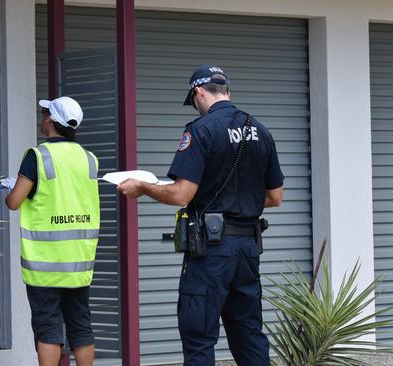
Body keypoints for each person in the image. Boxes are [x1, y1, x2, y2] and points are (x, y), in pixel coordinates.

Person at [118, 65, 284, 365]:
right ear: (227, 91)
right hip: (248, 249)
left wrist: (145, 187)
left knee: (199, 337)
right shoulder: (261, 130)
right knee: (248, 333)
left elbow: (181, 194)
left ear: (197, 93)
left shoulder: (201, 130)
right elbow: (275, 197)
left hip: (211, 251)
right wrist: (239, 199)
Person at [5, 96, 99, 366]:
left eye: (44, 113)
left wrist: (9, 191)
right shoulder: (89, 158)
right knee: (81, 324)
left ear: (50, 120)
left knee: (48, 327)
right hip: (79, 261)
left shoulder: (38, 155)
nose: (41, 117)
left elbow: (14, 202)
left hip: (45, 263)